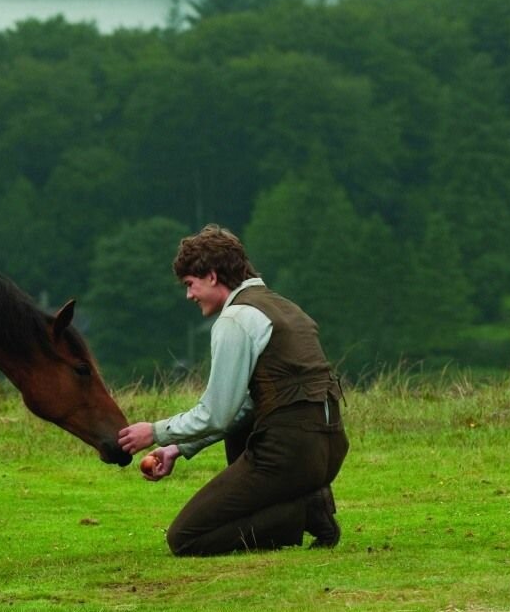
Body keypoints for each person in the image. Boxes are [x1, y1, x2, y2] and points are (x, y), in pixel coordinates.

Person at [118, 225, 348, 556]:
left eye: (190, 284)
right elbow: (244, 407)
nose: (189, 295)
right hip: (327, 451)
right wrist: (178, 448)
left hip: (288, 456)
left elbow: (217, 413)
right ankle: (306, 500)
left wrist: (154, 433)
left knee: (185, 538)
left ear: (212, 276)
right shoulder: (283, 307)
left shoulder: (237, 319)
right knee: (238, 441)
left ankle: (304, 512)